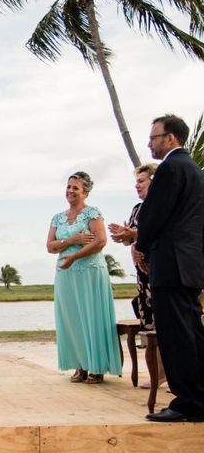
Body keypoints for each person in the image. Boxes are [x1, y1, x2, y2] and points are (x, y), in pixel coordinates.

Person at [135, 114, 204, 423]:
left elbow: (153, 215)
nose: (150, 142)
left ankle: (187, 403)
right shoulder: (195, 171)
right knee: (192, 333)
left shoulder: (170, 169)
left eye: (154, 137)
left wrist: (141, 245)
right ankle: (199, 396)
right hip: (189, 263)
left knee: (176, 336)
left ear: (172, 138)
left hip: (170, 263)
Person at [46, 171, 122, 384]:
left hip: (89, 271)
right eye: (69, 187)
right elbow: (50, 246)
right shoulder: (57, 218)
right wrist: (73, 240)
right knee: (72, 319)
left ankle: (96, 366)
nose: (70, 191)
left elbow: (100, 242)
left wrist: (75, 255)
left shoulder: (92, 214)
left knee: (92, 316)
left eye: (75, 188)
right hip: (65, 273)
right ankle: (80, 364)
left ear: (85, 192)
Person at [108, 163, 167, 389]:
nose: (137, 186)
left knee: (166, 325)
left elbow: (160, 234)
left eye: (141, 181)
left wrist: (134, 235)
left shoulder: (162, 207)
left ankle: (173, 374)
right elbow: (131, 238)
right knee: (150, 324)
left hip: (161, 271)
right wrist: (124, 236)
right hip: (143, 279)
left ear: (155, 182)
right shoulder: (137, 209)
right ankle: (158, 374)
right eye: (136, 182)